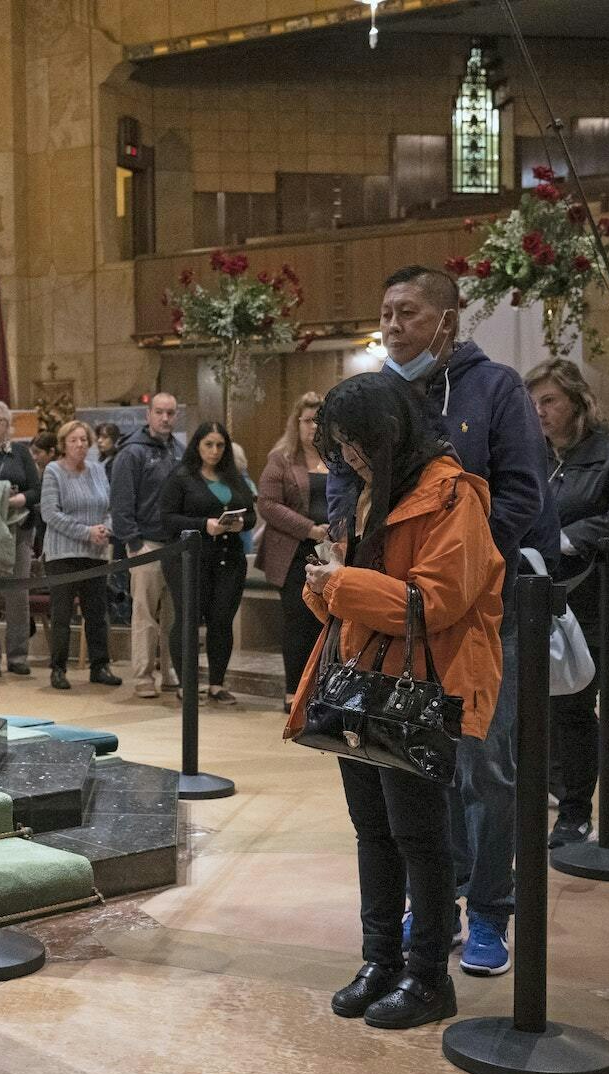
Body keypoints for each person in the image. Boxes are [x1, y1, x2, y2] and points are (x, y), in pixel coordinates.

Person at [331, 265, 554, 977]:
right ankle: (437, 907)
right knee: (414, 764)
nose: (392, 325)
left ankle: (489, 909)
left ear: (448, 320)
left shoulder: (496, 390)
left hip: (478, 611)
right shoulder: (379, 394)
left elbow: (523, 492)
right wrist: (349, 547)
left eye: (407, 312)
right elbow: (347, 482)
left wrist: (461, 565)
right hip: (394, 617)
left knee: (484, 766)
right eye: (385, 313)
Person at [289, 372, 504, 1030]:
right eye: (340, 445)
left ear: (388, 434)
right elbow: (359, 600)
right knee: (372, 832)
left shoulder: (452, 495)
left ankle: (429, 977)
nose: (348, 457)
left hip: (418, 686)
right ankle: (379, 960)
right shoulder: (370, 494)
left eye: (358, 444)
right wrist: (324, 585)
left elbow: (433, 602)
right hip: (361, 682)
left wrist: (344, 582)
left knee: (421, 837)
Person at [525, 359, 609, 847]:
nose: (539, 412)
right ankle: (554, 789)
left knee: (573, 706)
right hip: (535, 596)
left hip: (592, 600)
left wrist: (563, 539)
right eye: (532, 403)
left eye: (549, 401)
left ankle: (575, 811)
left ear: (577, 401)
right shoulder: (534, 454)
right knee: (535, 706)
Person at [159, 421, 256, 704]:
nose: (214, 451)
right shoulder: (181, 477)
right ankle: (186, 685)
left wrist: (240, 524)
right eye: (208, 445)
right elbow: (167, 519)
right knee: (188, 620)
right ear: (197, 446)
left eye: (220, 445)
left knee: (222, 621)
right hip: (190, 560)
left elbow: (250, 514)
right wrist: (204, 524)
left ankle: (216, 684)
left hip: (229, 558)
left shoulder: (233, 476)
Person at [257, 391, 331, 712]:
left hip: (331, 550)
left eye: (319, 420)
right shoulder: (281, 459)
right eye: (307, 420)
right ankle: (293, 690)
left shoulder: (337, 457)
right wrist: (309, 528)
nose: (313, 427)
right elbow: (268, 504)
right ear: (296, 423)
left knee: (325, 622)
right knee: (298, 621)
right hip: (294, 552)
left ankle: (321, 688)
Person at [40, 419, 123, 691]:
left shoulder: (98, 470)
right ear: (64, 444)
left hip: (96, 553)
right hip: (62, 554)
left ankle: (100, 666)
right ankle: (58, 669)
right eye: (74, 440)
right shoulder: (54, 471)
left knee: (97, 613)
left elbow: (109, 507)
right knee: (62, 614)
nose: (80, 445)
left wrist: (105, 529)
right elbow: (50, 513)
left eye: (84, 440)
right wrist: (86, 532)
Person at [109, 392, 182, 699]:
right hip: (146, 544)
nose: (165, 418)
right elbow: (121, 501)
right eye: (160, 412)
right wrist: (133, 542)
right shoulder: (132, 452)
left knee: (174, 616)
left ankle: (169, 672)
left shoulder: (179, 450)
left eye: (170, 413)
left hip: (176, 545)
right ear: (148, 414)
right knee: (144, 613)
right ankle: (142, 675)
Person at [0, 398, 39, 676]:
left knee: (17, 594)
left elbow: (37, 489)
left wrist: (19, 499)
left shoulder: (20, 453)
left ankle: (18, 656)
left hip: (18, 530)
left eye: (1, 420)